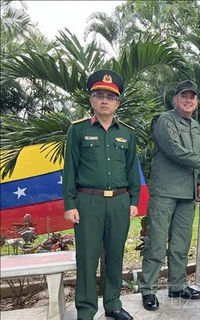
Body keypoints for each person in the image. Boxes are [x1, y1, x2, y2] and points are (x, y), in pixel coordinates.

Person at [139, 80, 200, 311]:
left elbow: (196, 153)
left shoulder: (195, 125)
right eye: (184, 96)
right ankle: (148, 289)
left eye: (192, 97)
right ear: (175, 99)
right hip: (165, 191)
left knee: (180, 243)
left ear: (196, 102)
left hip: (187, 193)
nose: (188, 100)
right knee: (156, 242)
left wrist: (199, 182)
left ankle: (177, 285)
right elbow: (176, 151)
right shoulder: (164, 120)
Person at [63, 70, 140, 320]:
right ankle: (85, 310)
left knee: (116, 254)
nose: (104, 100)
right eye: (99, 95)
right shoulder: (77, 130)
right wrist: (70, 204)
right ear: (91, 101)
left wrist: (134, 201)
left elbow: (131, 169)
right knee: (87, 257)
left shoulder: (126, 134)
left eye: (110, 96)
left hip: (119, 201)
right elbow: (70, 168)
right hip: (88, 201)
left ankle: (113, 304)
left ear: (117, 102)